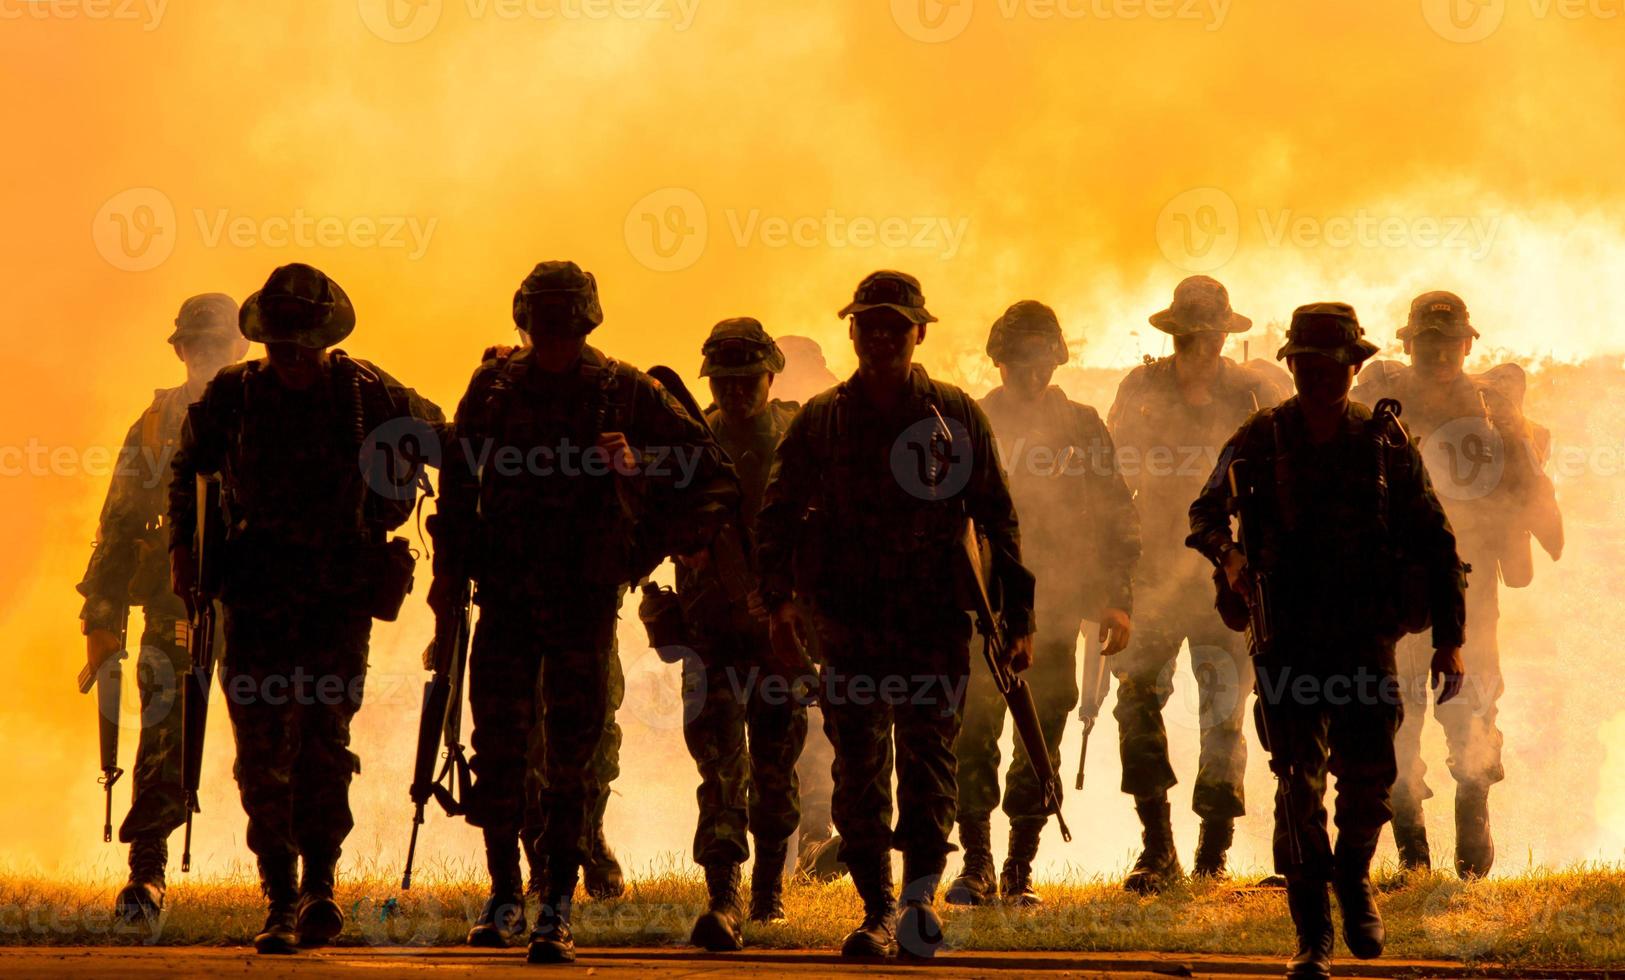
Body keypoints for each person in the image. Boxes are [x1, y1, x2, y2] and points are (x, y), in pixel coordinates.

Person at [427, 261, 737, 965]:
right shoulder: (494, 387)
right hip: (504, 593)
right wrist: (446, 578)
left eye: (564, 327)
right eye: (543, 326)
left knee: (571, 758)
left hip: (583, 599)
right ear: (526, 324)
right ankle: (505, 894)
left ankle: (554, 906)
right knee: (498, 752)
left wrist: (642, 462)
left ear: (586, 324)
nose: (555, 339)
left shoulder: (624, 390)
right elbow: (458, 484)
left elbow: (709, 468)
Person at [756, 270, 1034, 959]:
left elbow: (997, 517)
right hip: (847, 621)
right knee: (856, 770)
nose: (879, 339)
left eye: (892, 327)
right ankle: (877, 909)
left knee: (929, 767)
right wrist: (779, 604)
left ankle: (916, 905)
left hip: (930, 621)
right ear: (851, 332)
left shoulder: (954, 413)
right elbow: (778, 512)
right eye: (867, 326)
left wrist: (1016, 616)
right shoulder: (822, 417)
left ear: (918, 333)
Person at [168, 264, 444, 954]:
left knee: (325, 743)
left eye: (301, 346)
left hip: (338, 597)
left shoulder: (369, 389)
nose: (290, 358)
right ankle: (279, 896)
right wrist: (184, 554)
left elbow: (448, 439)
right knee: (261, 753)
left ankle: (321, 886)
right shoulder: (236, 394)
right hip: (257, 592)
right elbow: (186, 469)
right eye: (281, 346)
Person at [1188, 302, 1467, 979]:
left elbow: (1434, 538)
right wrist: (1228, 559)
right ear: (1292, 367)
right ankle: (1311, 935)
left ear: (1354, 367)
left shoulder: (1381, 438)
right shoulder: (1261, 434)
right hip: (1285, 637)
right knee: (1296, 784)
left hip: (1363, 637)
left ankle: (1353, 879)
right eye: (1306, 366)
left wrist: (1448, 640)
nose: (1318, 378)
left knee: (1368, 780)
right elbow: (1203, 514)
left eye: (1331, 366)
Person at [1352, 291, 1562, 877]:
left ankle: (1474, 819)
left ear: (1468, 344)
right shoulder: (1380, 405)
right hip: (1390, 590)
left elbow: (1529, 481)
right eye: (1427, 343)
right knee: (1394, 719)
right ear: (1409, 344)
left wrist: (1543, 526)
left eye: (1449, 343)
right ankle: (1413, 855)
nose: (1439, 354)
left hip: (1472, 592)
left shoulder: (1493, 408)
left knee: (1471, 712)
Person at [947, 300, 1139, 907]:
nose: (1032, 372)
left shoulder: (1083, 425)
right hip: (981, 608)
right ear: (999, 361)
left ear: (1056, 358)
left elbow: (1115, 514)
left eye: (1041, 359)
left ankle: (1018, 868)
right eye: (1019, 360)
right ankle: (975, 865)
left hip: (1058, 608)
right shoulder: (970, 421)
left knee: (1041, 738)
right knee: (972, 734)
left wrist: (1115, 600)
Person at [1106, 275, 1290, 889]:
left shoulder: (1251, 395)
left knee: (1226, 714)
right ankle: (1157, 847)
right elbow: (1111, 483)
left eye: (1211, 334)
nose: (1203, 346)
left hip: (1228, 575)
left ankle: (1213, 854)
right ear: (1176, 334)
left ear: (1223, 335)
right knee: (1135, 701)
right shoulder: (1141, 387)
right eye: (1192, 335)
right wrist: (1110, 578)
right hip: (1152, 571)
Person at [77, 293, 248, 925]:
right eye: (195, 346)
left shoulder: (270, 410)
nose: (205, 356)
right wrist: (101, 617)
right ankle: (147, 872)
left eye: (217, 345)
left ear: (241, 347)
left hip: (260, 606)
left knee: (276, 741)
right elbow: (119, 526)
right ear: (179, 351)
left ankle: (292, 884)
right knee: (162, 736)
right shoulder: (152, 426)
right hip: (173, 605)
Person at [671, 317, 808, 950]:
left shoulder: (799, 436)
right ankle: (723, 897)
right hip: (713, 634)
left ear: (770, 375)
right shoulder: (692, 440)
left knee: (776, 767)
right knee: (720, 766)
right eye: (723, 380)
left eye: (746, 378)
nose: (735, 391)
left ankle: (770, 890)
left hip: (782, 634)